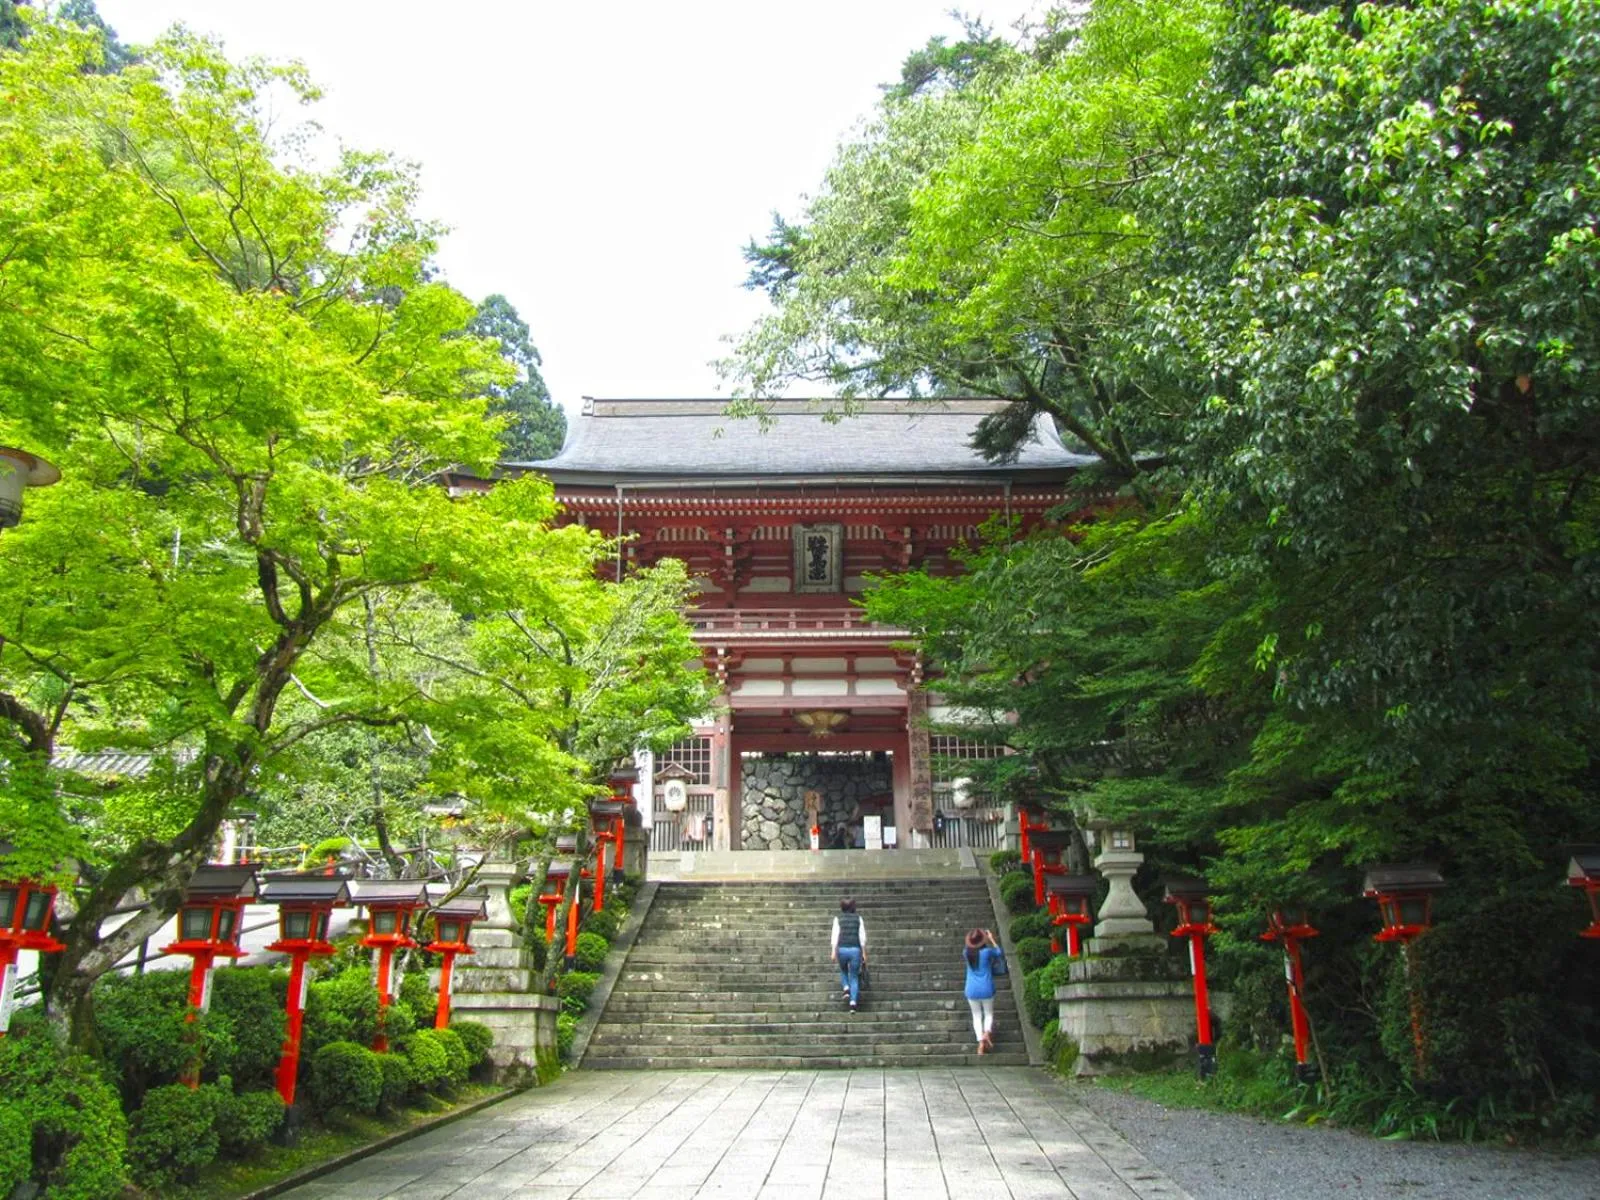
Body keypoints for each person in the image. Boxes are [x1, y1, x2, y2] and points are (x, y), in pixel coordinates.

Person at [963, 928, 1004, 1054]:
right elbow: (999, 952)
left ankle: (980, 1042)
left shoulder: (965, 953)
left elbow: (970, 948)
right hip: (986, 988)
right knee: (988, 1014)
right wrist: (991, 938)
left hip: (971, 989)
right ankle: (987, 1032)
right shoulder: (987, 952)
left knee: (976, 1016)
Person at [830, 897, 866, 1012]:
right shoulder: (858, 918)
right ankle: (853, 1003)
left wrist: (833, 951)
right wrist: (864, 952)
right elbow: (862, 937)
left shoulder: (838, 919)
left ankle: (846, 987)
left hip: (842, 949)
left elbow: (835, 936)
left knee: (844, 970)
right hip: (855, 949)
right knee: (854, 976)